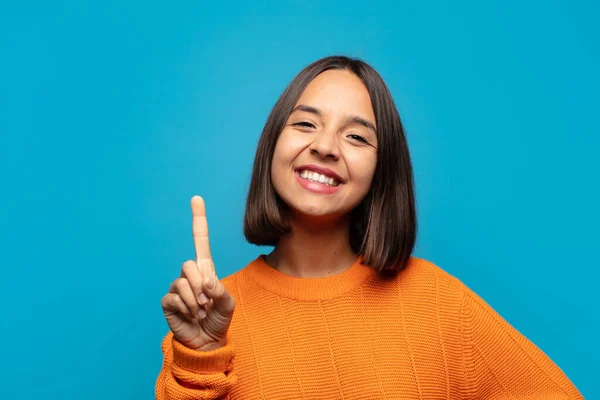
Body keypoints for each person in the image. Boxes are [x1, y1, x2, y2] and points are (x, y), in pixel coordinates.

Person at [156, 56, 583, 399]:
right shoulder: (210, 319)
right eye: (305, 123)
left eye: (356, 137)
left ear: (382, 169)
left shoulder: (438, 304)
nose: (324, 146)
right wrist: (202, 359)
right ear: (272, 144)